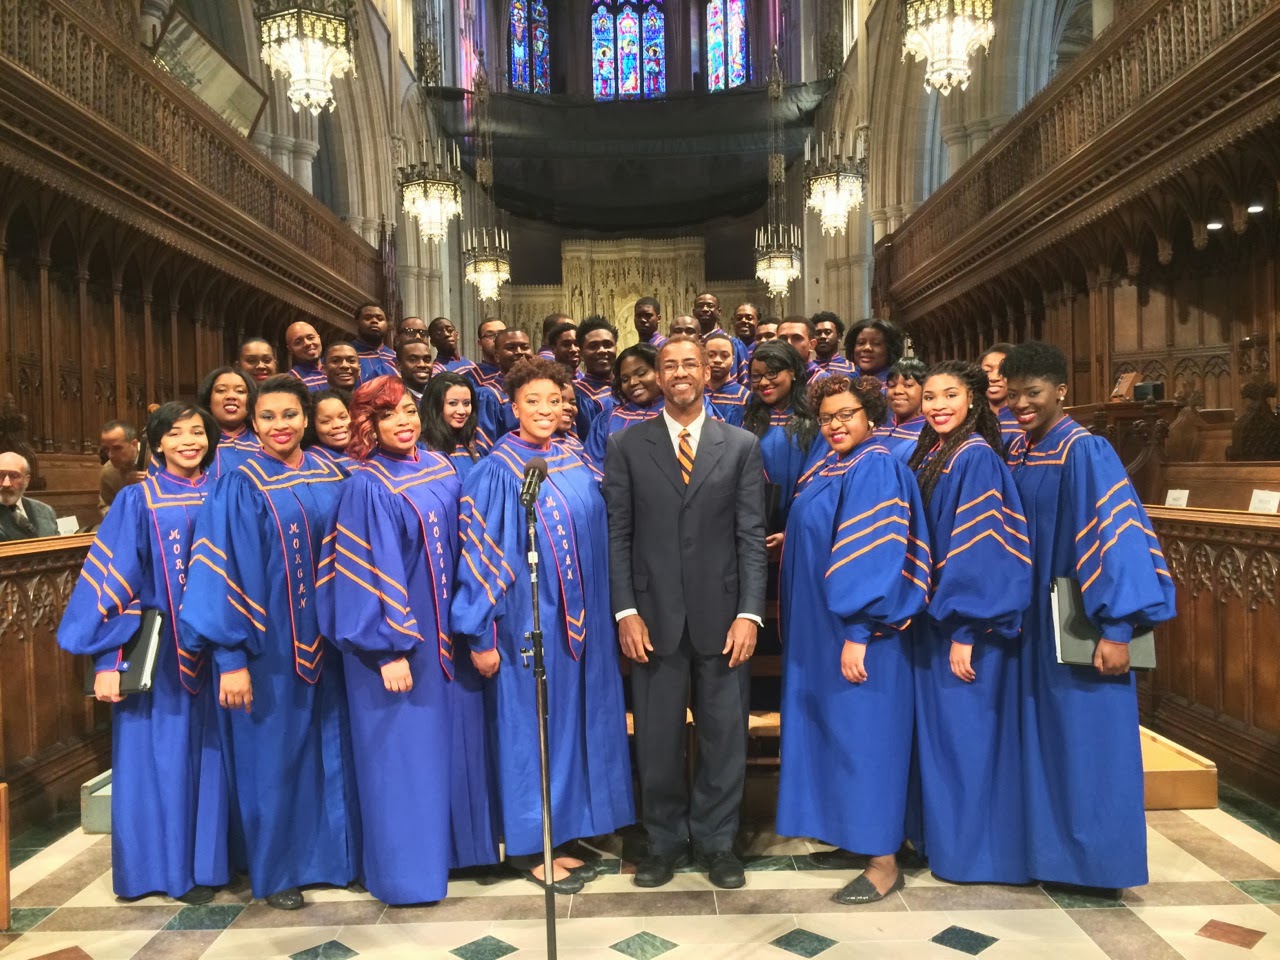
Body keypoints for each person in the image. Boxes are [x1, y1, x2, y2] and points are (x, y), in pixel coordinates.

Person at [452, 358, 634, 893]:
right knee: (530, 729)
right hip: (527, 622)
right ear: (512, 406)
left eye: (553, 401)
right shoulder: (496, 470)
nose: (544, 411)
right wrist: (481, 634)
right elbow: (481, 556)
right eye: (532, 401)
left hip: (584, 622)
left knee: (577, 721)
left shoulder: (574, 456)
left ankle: (569, 829)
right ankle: (531, 845)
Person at [318, 376, 498, 905]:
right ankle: (407, 875)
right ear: (366, 425)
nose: (404, 422)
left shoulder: (440, 466)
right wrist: (385, 650)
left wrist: (477, 623)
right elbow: (363, 574)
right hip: (399, 649)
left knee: (452, 749)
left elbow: (471, 545)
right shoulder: (365, 485)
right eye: (388, 415)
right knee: (402, 757)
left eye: (410, 412)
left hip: (450, 642)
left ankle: (457, 856)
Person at [180, 375, 357, 910]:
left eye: (289, 415)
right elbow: (220, 569)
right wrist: (230, 657)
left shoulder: (334, 470)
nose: (279, 426)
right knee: (272, 757)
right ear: (253, 423)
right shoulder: (239, 481)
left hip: (331, 639)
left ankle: (336, 858)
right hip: (268, 644)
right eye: (267, 417)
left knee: (331, 749)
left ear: (306, 417)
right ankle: (278, 872)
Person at [1003, 342, 1176, 891]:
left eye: (1033, 393)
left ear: (1061, 391)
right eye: (1013, 396)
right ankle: (1047, 857)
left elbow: (1115, 537)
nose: (1022, 405)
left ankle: (1099, 866)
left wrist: (1117, 629)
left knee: (1087, 742)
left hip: (1081, 624)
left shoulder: (1085, 450)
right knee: (1046, 741)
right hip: (1033, 627)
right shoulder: (1021, 451)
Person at [602, 335, 767, 891]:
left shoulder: (740, 444)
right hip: (652, 617)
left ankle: (718, 842)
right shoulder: (627, 445)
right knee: (657, 738)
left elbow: (750, 537)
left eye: (688, 364)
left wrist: (750, 613)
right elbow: (618, 534)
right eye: (668, 365)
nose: (679, 373)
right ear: (656, 375)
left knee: (725, 737)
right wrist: (625, 610)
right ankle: (666, 841)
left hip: (724, 618)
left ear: (707, 372)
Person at [57, 402, 228, 903]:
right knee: (160, 762)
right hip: (159, 657)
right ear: (156, 444)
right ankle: (165, 872)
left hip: (219, 655)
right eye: (176, 434)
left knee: (214, 761)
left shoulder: (224, 492)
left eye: (198, 431)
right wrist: (111, 661)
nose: (189, 441)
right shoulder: (138, 500)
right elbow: (112, 587)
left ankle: (212, 866)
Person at [777, 374, 930, 905]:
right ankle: (856, 835)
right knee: (838, 735)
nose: (836, 425)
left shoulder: (878, 465)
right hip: (823, 629)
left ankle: (884, 861)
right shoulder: (835, 463)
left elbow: (875, 554)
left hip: (860, 633)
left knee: (867, 738)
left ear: (872, 417)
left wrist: (860, 631)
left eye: (847, 415)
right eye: (827, 418)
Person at [906, 361, 1033, 885]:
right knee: (946, 744)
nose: (937, 405)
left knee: (969, 745)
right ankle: (946, 846)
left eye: (949, 396)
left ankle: (974, 858)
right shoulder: (936, 451)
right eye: (930, 396)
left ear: (975, 400)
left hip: (967, 629)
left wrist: (966, 630)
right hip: (937, 624)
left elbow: (980, 550)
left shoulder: (975, 457)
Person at [742, 341, 823, 539]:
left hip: (799, 525)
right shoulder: (746, 418)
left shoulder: (815, 420)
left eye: (772, 373)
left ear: (793, 372)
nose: (763, 382)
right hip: (754, 525)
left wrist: (790, 532)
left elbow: (819, 476)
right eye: (756, 376)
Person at [584, 343, 665, 465]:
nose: (632, 382)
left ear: (659, 372)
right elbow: (593, 466)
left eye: (641, 373)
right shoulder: (607, 420)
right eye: (625, 379)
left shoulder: (678, 413)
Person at [420, 371, 492, 481]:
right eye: (453, 403)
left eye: (466, 403)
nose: (462, 411)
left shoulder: (474, 444)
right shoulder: (422, 449)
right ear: (435, 406)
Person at [197, 366, 259, 477]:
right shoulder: (195, 441)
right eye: (221, 390)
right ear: (208, 399)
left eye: (240, 391)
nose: (231, 396)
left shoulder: (264, 440)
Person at [574, 316, 619, 439]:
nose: (602, 351)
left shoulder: (626, 386)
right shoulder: (580, 397)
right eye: (593, 346)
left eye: (607, 345)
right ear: (581, 353)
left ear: (616, 349)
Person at [0, 452, 58, 540]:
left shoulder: (45, 511)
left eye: (14, 476)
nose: (6, 484)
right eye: (0, 475)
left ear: (26, 480)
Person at [693, 292, 747, 382]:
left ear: (719, 312)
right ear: (694, 312)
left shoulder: (734, 344)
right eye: (700, 306)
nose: (705, 309)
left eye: (710, 305)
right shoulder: (691, 345)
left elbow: (744, 381)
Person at [880, 359, 928, 461]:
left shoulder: (928, 434)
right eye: (892, 385)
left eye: (908, 385)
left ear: (925, 389)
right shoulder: (877, 426)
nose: (898, 391)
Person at [99, 419, 144, 516]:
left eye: (117, 448)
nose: (110, 455)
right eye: (106, 449)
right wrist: (126, 490)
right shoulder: (108, 471)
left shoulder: (156, 457)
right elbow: (105, 506)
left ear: (134, 444)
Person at [980, 343, 1021, 448]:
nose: (993, 378)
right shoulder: (972, 420)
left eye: (1003, 370)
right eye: (987, 371)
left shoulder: (1025, 421)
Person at [705, 333, 749, 428]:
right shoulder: (696, 392)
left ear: (733, 359)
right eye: (711, 355)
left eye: (724, 356)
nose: (717, 360)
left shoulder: (743, 397)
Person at [305, 390, 357, 471]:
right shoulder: (311, 462)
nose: (337, 425)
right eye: (326, 421)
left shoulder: (365, 450)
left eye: (343, 417)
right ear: (312, 425)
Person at [845, 319, 905, 388]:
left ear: (890, 349)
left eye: (876, 344)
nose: (867, 348)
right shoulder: (845, 381)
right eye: (861, 343)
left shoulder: (897, 384)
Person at [352, 302, 397, 381]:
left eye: (380, 319)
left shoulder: (395, 357)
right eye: (368, 318)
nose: (374, 321)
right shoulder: (346, 356)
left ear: (387, 325)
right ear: (357, 323)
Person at [777, 317, 825, 383]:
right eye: (783, 339)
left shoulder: (823, 382)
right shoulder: (771, 379)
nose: (788, 343)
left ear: (812, 345)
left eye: (796, 338)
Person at [285, 321, 327, 391]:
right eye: (298, 342)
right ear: (290, 349)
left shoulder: (335, 372)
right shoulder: (290, 382)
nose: (307, 343)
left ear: (319, 338)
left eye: (310, 338)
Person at [467, 318, 506, 392]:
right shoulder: (471, 377)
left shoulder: (518, 373)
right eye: (490, 335)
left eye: (501, 334)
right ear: (480, 343)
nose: (496, 339)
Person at [812, 312, 854, 376]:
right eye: (818, 333)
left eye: (827, 332)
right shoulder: (806, 371)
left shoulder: (852, 369)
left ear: (839, 337)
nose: (822, 336)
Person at [397, 339, 433, 406]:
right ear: (399, 366)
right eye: (413, 360)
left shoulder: (440, 398)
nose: (422, 364)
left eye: (427, 360)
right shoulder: (394, 401)